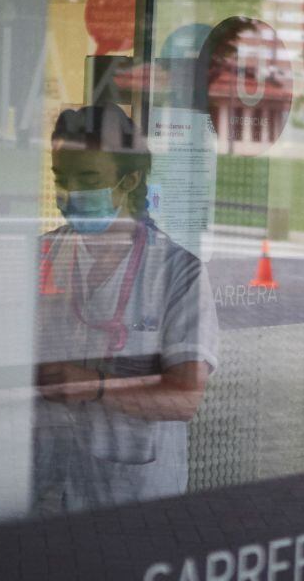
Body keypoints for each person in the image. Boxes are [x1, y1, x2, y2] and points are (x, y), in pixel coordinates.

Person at [34, 104, 219, 512]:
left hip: (132, 496)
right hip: (47, 488)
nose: (69, 194)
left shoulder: (177, 273)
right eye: (60, 179)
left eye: (88, 179)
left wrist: (97, 386)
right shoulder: (44, 255)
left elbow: (185, 399)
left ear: (129, 179)